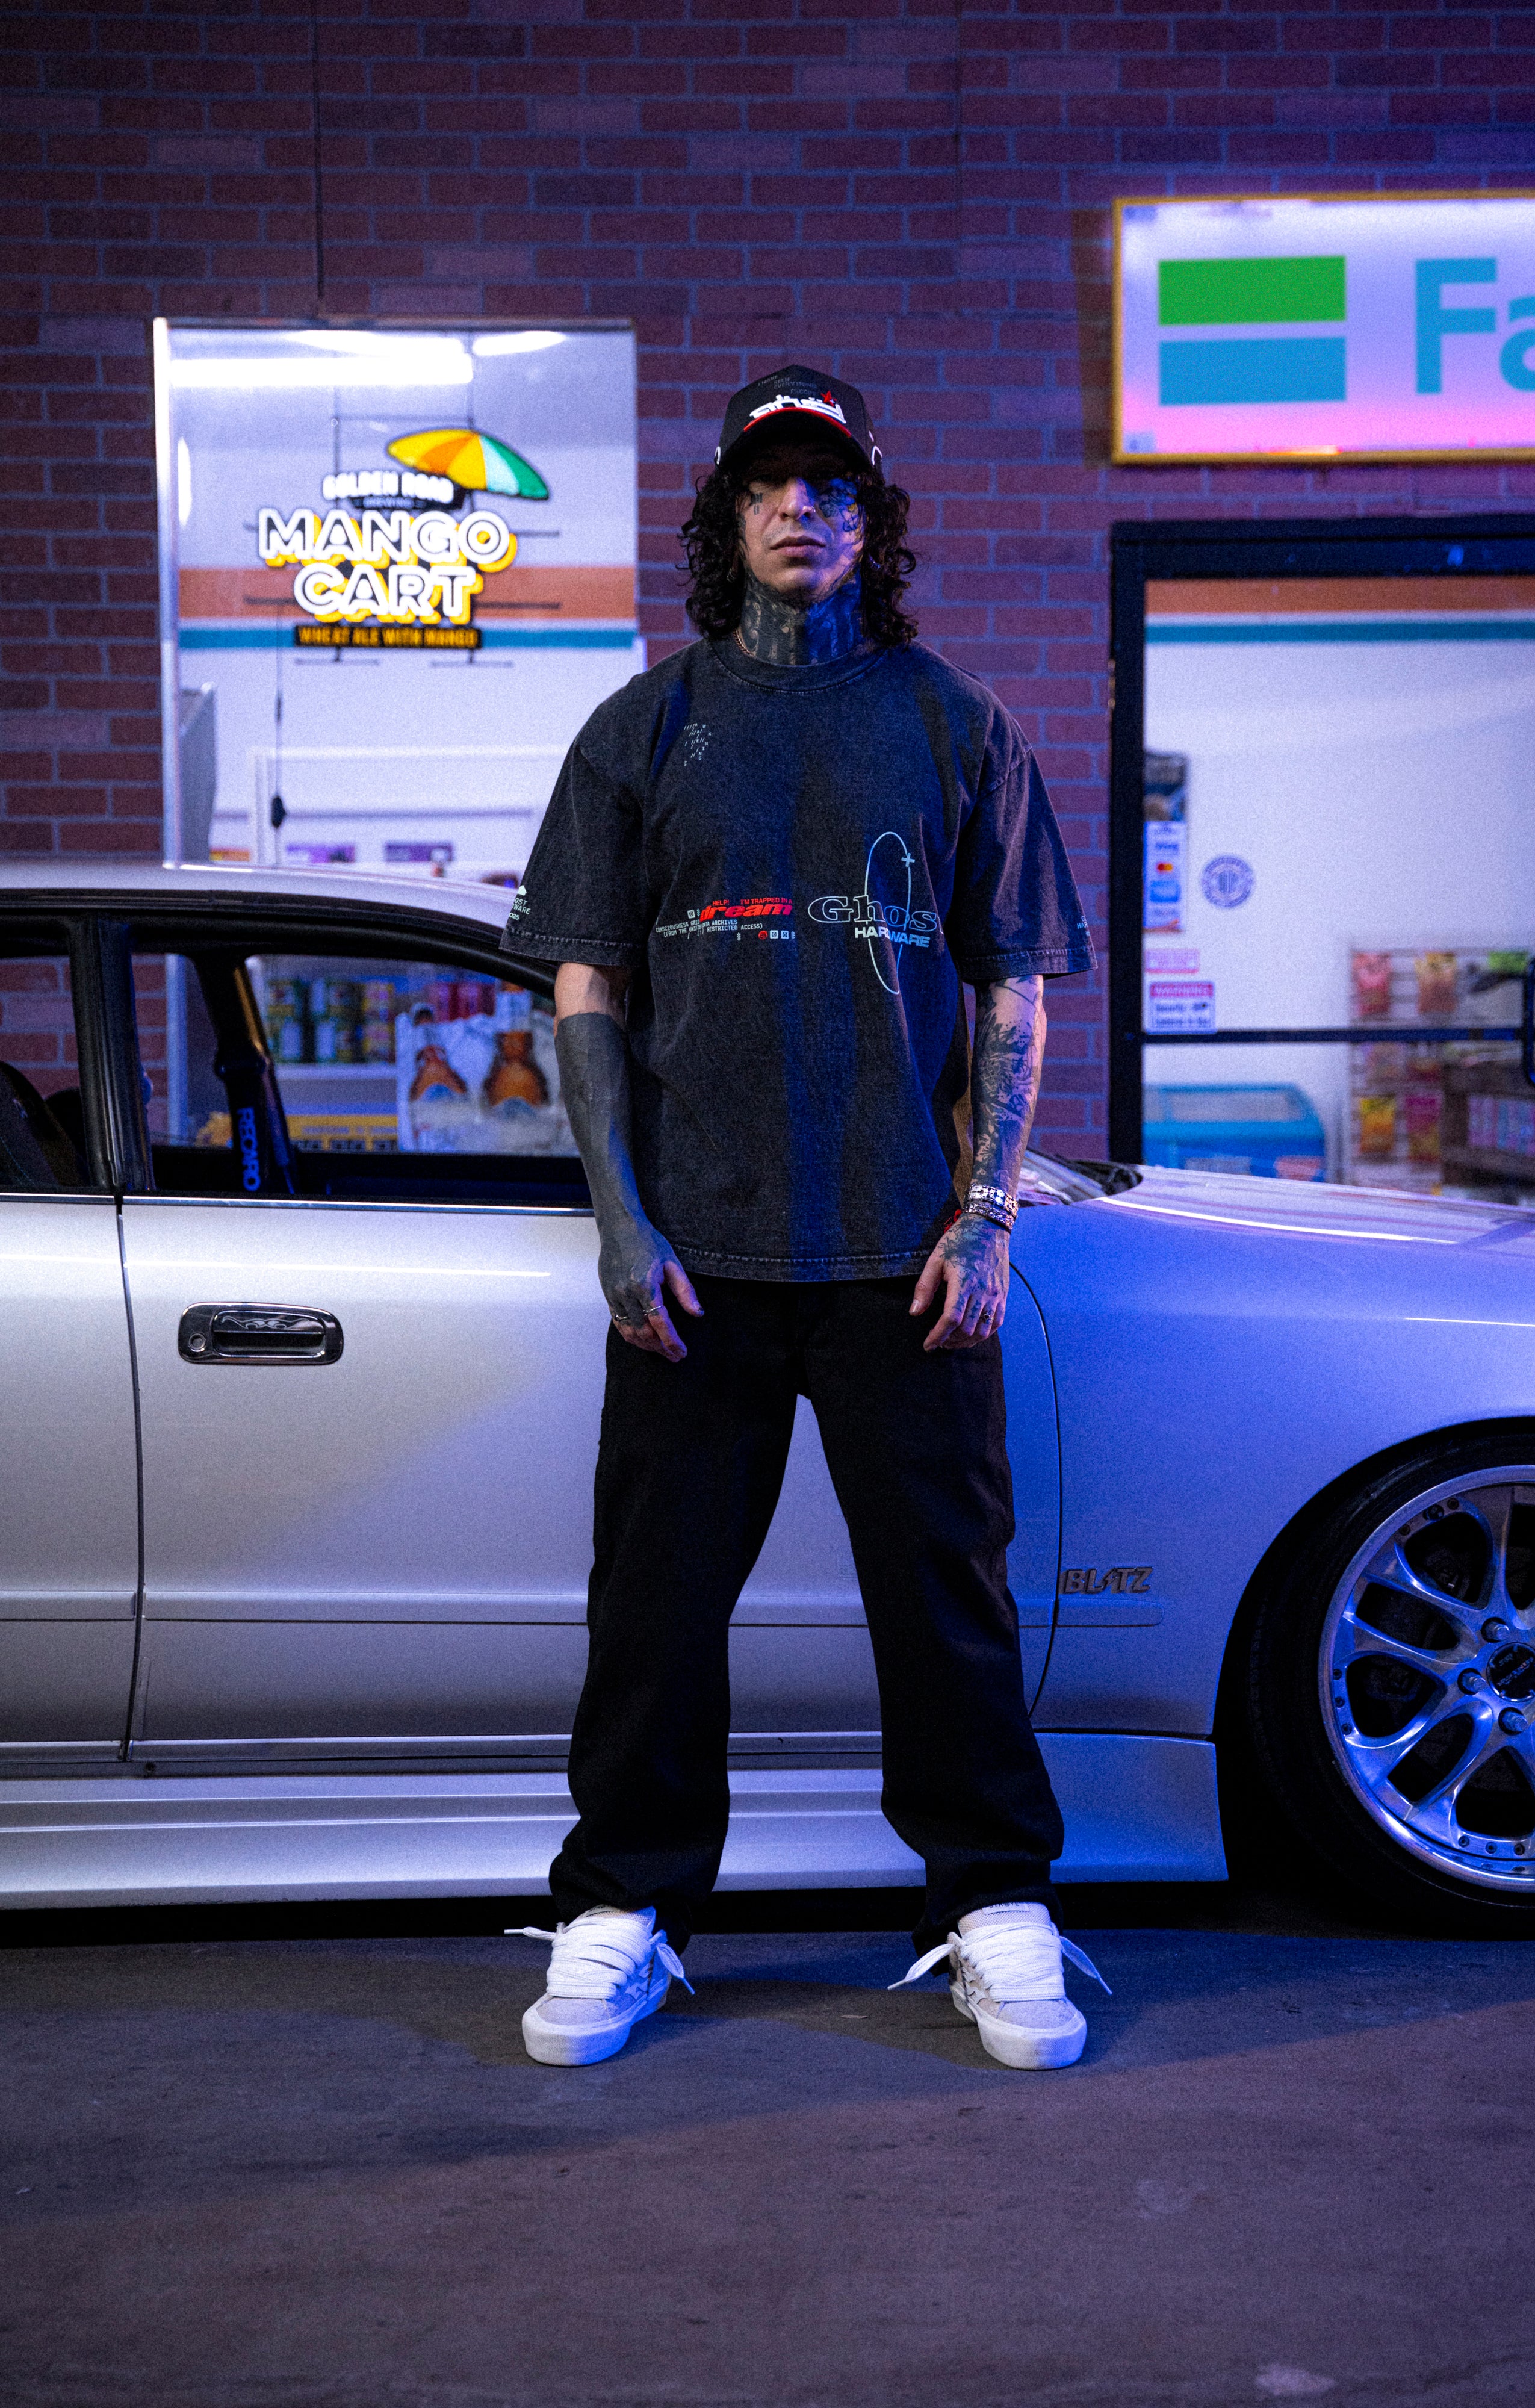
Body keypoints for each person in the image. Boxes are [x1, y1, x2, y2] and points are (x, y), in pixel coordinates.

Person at [501, 365, 1105, 2072]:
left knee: (947, 1598)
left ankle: (992, 1898)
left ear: (869, 519)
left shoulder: (954, 723)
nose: (799, 511)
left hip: (905, 1258)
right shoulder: (643, 728)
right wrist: (621, 1223)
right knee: (654, 1604)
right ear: (727, 515)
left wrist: (985, 1219)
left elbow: (1012, 988)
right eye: (768, 485)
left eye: (829, 486)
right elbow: (585, 988)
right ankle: (624, 1904)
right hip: (694, 1261)